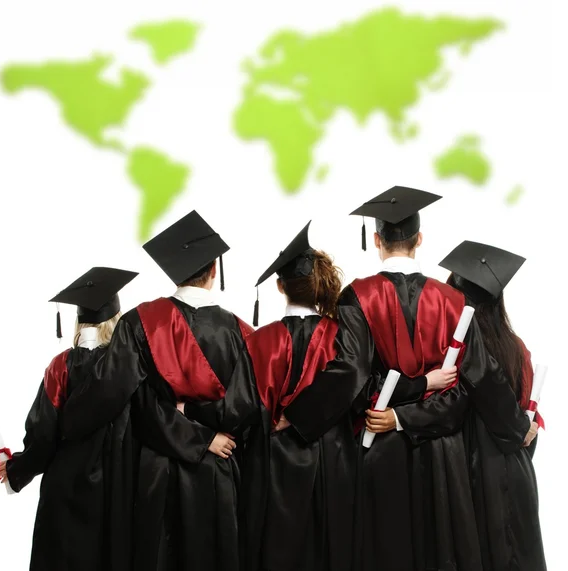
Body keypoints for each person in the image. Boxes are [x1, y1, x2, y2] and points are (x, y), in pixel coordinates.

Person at [280, 186, 493, 571]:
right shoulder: (454, 301)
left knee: (384, 551)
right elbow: (468, 384)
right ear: (420, 240)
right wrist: (418, 411)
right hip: (443, 452)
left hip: (380, 447)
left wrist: (297, 416)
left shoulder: (357, 296)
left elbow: (350, 374)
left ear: (376, 240)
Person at [61, 210, 254, 571]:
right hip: (219, 465)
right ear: (214, 271)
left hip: (157, 467)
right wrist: (207, 434)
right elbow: (246, 406)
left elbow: (115, 395)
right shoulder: (240, 331)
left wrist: (65, 423)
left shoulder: (140, 321)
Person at [183, 222, 351, 571]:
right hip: (332, 464)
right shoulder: (342, 338)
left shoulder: (260, 341)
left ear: (279, 286)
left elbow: (237, 410)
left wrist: (192, 409)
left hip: (272, 467)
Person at [0, 267, 138, 571]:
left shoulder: (60, 367)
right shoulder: (129, 371)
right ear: (116, 318)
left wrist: (15, 469)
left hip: (65, 494)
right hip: (116, 491)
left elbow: (42, 438)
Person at [440, 240, 547, 570]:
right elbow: (526, 424)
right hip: (512, 471)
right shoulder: (516, 348)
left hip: (464, 473)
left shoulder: (449, 352)